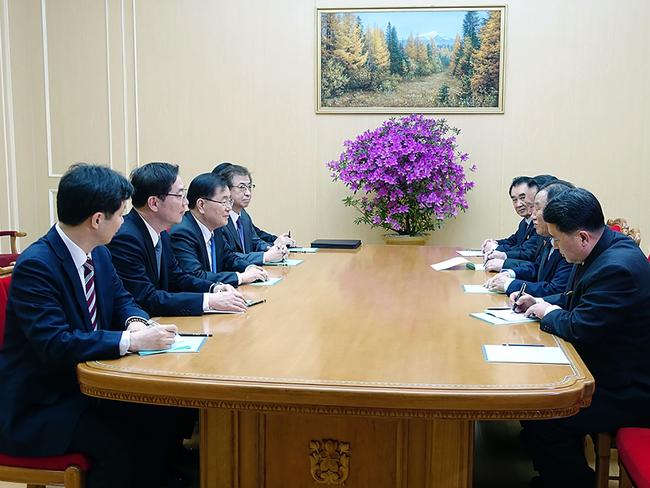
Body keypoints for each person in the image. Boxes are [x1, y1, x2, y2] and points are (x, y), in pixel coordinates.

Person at [0, 164, 181, 488]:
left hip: (81, 387)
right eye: (121, 214)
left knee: (164, 416)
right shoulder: (36, 265)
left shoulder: (98, 253)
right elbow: (56, 343)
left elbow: (121, 299)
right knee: (120, 445)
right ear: (97, 220)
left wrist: (136, 323)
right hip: (41, 402)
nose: (124, 222)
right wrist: (131, 342)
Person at [512, 188, 650, 487]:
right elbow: (575, 300)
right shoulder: (601, 249)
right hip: (607, 366)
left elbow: (580, 328)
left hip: (628, 388)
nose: (554, 247)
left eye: (557, 240)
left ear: (583, 237)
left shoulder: (616, 268)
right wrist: (538, 301)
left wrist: (547, 312)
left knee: (547, 415)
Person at [107, 162, 247, 316]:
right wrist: (209, 301)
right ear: (154, 203)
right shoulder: (126, 238)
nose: (186, 203)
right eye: (180, 195)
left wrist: (214, 288)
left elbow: (177, 278)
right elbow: (146, 298)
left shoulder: (161, 233)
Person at [169, 172, 269, 286]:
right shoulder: (182, 233)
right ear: (201, 205)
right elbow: (195, 276)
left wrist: (249, 267)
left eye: (229, 201)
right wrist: (240, 277)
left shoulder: (215, 227)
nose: (229, 208)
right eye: (224, 202)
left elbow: (228, 257)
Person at [484, 181, 573, 296]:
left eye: (537, 209)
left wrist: (509, 284)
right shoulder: (548, 239)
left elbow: (556, 290)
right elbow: (536, 267)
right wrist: (510, 273)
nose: (533, 215)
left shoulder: (568, 244)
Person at [212, 162, 290, 266]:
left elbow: (255, 241)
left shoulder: (244, 216)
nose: (248, 193)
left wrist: (273, 249)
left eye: (249, 187)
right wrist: (265, 257)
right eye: (242, 187)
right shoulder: (219, 219)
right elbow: (227, 257)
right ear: (226, 189)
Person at [483, 176, 555, 272]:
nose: (518, 204)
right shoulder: (524, 222)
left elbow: (528, 252)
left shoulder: (542, 226)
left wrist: (497, 250)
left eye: (522, 198)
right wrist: (494, 243)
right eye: (514, 200)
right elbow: (513, 241)